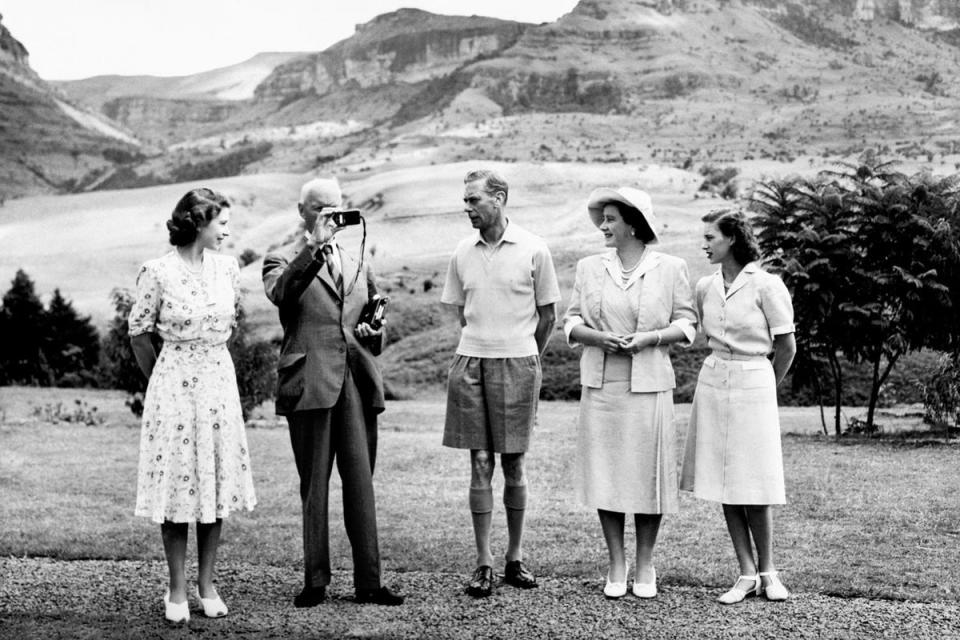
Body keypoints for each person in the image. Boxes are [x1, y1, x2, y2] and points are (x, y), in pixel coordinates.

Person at [262, 176, 403, 607]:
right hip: (309, 382)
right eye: (320, 207)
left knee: (361, 482)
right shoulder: (280, 258)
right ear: (301, 211)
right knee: (315, 486)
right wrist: (315, 249)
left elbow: (372, 323)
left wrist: (374, 330)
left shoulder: (358, 257)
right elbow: (282, 295)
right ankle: (315, 580)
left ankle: (370, 582)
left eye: (335, 207)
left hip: (356, 383)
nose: (329, 215)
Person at [129, 187, 257, 624]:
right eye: (222, 223)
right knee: (177, 489)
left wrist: (207, 370)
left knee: (213, 485)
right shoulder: (157, 271)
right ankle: (177, 587)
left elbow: (229, 324)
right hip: (173, 391)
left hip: (218, 388)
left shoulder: (228, 269)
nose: (228, 231)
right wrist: (162, 382)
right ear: (198, 222)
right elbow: (140, 332)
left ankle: (207, 584)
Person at [563, 187, 696, 600]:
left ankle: (645, 563)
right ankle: (616, 563)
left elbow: (688, 323)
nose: (603, 226)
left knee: (647, 475)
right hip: (602, 385)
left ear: (633, 223)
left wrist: (649, 338)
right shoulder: (588, 267)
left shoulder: (671, 267)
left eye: (610, 219)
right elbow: (570, 322)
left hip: (649, 384)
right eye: (602, 219)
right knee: (607, 473)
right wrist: (599, 338)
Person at [441, 168, 561, 598]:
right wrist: (482, 345)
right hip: (471, 360)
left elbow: (548, 317)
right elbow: (460, 312)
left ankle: (514, 557)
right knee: (478, 462)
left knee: (514, 463)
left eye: (474, 200)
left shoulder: (534, 249)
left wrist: (525, 355)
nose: (467, 207)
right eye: (465, 200)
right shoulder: (461, 251)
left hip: (518, 362)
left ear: (499, 198)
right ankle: (483, 564)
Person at [679, 207, 797, 604]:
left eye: (710, 237)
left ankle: (769, 571)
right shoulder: (704, 287)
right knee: (724, 480)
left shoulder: (767, 285)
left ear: (732, 238)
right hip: (713, 381)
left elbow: (786, 346)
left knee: (755, 482)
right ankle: (745, 572)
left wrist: (765, 385)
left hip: (755, 383)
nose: (704, 244)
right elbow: (698, 331)